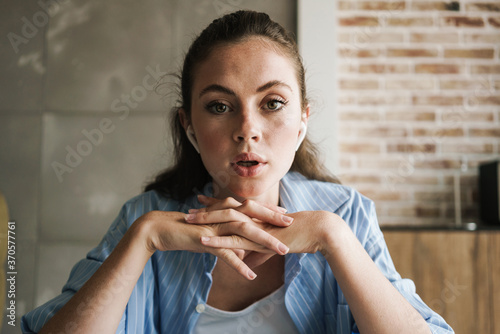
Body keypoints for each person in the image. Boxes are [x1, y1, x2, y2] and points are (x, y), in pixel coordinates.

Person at [22, 10, 453, 334]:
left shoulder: (347, 214)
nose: (247, 130)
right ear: (189, 125)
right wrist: (144, 238)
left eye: (273, 103)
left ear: (303, 119)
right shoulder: (147, 217)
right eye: (219, 107)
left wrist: (331, 236)